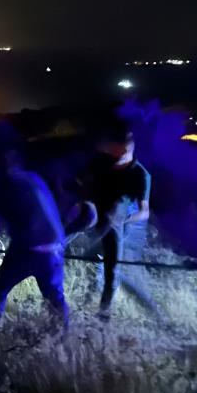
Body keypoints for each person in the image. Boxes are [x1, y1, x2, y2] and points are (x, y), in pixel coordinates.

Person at [0, 124, 68, 334]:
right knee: (55, 298)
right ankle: (64, 340)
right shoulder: (33, 177)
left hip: (27, 250)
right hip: (55, 248)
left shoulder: (0, 187)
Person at [84, 128, 158, 317]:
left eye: (124, 148)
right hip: (101, 221)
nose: (119, 152)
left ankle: (105, 313)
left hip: (125, 226)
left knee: (111, 269)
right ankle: (90, 303)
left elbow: (144, 213)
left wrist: (121, 219)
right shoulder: (104, 163)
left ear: (132, 147)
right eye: (116, 148)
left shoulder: (140, 174)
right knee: (99, 264)